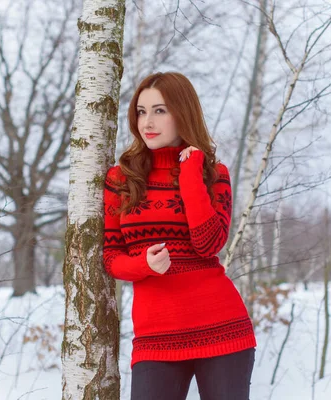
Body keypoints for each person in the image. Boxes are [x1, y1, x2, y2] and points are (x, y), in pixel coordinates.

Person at [103, 72, 257, 400]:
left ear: (182, 113)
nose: (148, 121)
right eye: (141, 112)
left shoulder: (213, 174)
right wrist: (143, 265)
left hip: (222, 329)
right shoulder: (121, 178)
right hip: (155, 337)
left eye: (160, 110)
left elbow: (209, 243)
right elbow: (111, 257)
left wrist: (190, 176)